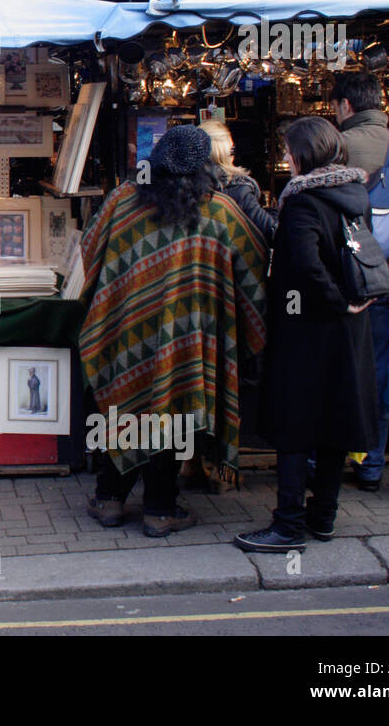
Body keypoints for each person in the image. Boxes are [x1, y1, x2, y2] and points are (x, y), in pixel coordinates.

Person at [79, 124, 267, 537]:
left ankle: (109, 499)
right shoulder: (219, 210)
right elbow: (254, 261)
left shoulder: (123, 200)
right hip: (187, 335)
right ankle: (159, 509)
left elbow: (89, 246)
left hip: (125, 326)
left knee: (122, 400)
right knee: (172, 409)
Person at [235, 117, 379, 553]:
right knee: (336, 421)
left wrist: (335, 301)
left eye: (287, 151)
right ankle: (324, 517)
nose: (284, 159)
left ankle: (288, 525)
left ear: (303, 155)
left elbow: (305, 265)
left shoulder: (302, 202)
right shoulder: (355, 192)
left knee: (296, 427)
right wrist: (349, 305)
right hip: (349, 330)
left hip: (308, 330)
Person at [331, 72, 389, 491]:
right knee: (379, 368)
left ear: (346, 106)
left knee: (336, 367)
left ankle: (326, 458)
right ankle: (372, 464)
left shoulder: (336, 146)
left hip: (342, 276)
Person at [200, 119, 276, 243]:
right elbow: (270, 231)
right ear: (225, 153)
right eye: (232, 149)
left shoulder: (182, 188)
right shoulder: (239, 190)